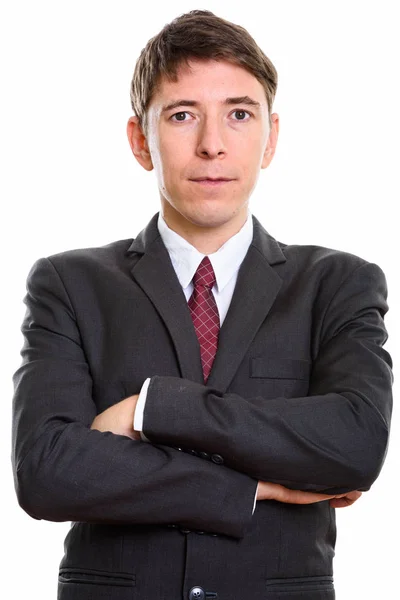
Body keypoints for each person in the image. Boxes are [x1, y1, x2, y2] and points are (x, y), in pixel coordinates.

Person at [11, 9, 393, 600]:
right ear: (141, 140)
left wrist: (152, 409)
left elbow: (354, 446)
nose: (213, 145)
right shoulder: (68, 283)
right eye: (183, 115)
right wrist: (253, 487)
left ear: (271, 137)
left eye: (239, 114)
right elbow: (47, 474)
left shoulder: (338, 283)